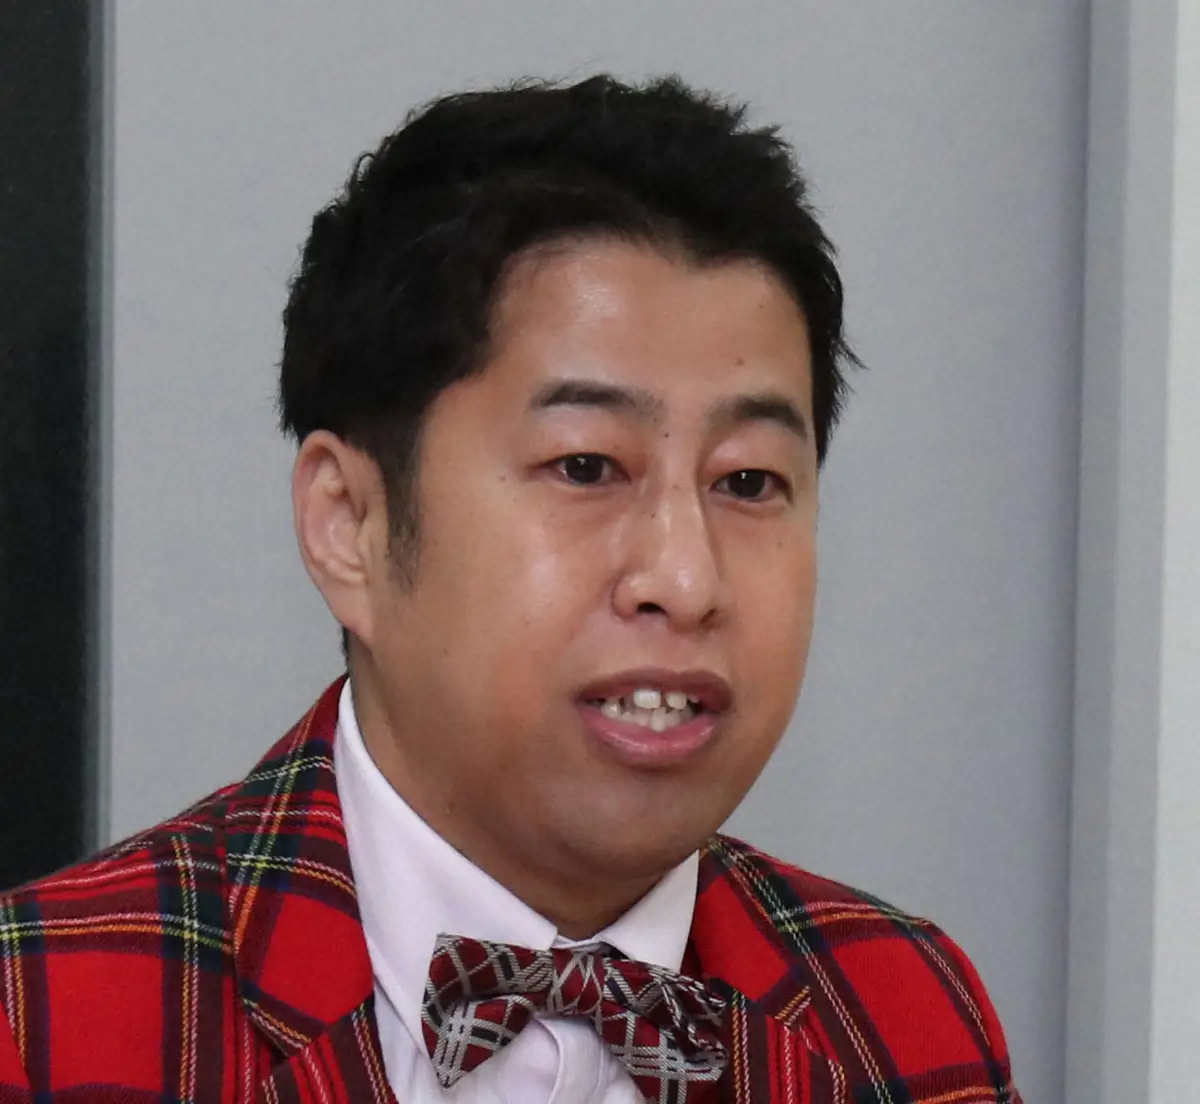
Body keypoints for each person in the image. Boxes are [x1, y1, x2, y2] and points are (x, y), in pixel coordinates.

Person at [0, 75, 1021, 1103]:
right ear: (350, 525)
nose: (685, 578)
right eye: (586, 466)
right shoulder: (44, 1022)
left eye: (748, 482)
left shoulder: (902, 1017)